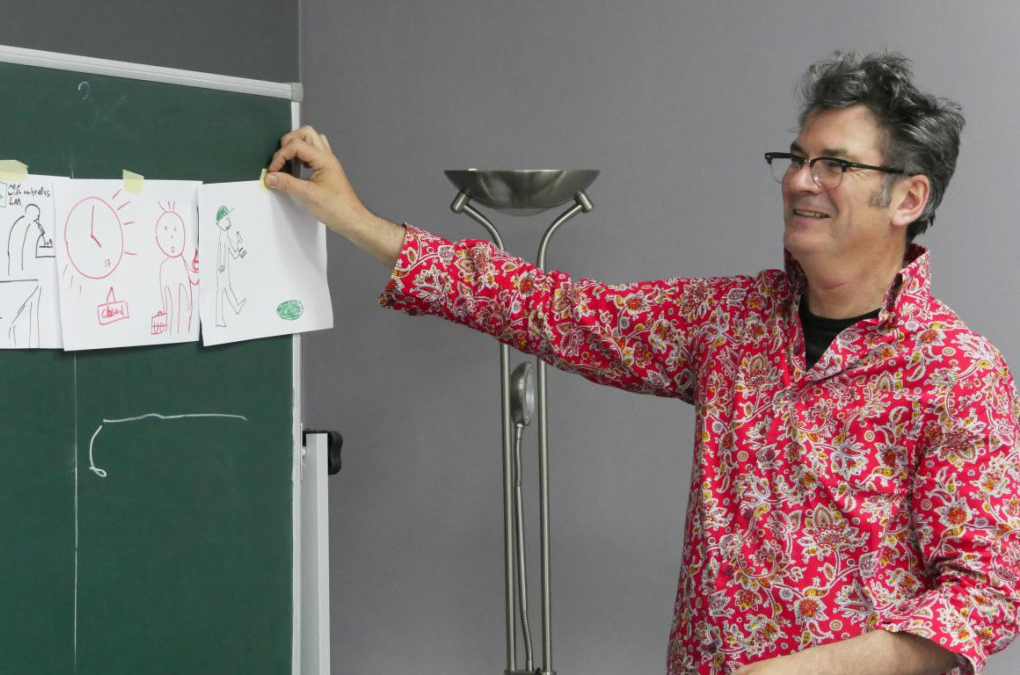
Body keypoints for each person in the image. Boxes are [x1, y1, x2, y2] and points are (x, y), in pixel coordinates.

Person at [265, 51, 1020, 675]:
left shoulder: (957, 373)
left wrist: (802, 669)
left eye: (834, 164)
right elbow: (551, 308)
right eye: (795, 159)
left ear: (907, 198)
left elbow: (984, 595)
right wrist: (356, 222)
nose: (799, 180)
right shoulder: (731, 322)